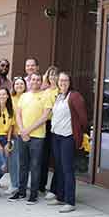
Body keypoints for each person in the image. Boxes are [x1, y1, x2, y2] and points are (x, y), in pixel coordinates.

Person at [8, 72, 52, 204]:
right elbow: (18, 115)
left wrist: (28, 130)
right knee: (23, 165)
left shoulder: (46, 96)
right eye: (33, 79)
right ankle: (21, 192)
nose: (35, 82)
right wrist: (22, 130)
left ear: (41, 82)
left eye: (38, 80)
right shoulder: (24, 96)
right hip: (23, 135)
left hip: (37, 136)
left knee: (35, 165)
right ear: (29, 81)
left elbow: (45, 117)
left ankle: (33, 194)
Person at [47, 72, 87, 213]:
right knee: (59, 167)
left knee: (67, 169)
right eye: (61, 80)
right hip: (56, 136)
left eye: (66, 80)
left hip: (67, 137)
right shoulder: (59, 96)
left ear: (70, 82)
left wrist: (79, 133)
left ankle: (70, 201)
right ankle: (60, 196)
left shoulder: (74, 96)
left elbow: (83, 119)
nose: (63, 82)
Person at [39, 66, 60, 199]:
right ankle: (41, 186)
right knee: (43, 157)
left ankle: (55, 189)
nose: (52, 77)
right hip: (44, 125)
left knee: (57, 158)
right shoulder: (44, 91)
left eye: (55, 75)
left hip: (56, 125)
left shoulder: (60, 91)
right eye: (50, 75)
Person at [6, 76, 27, 195]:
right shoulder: (11, 98)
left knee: (23, 161)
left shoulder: (28, 97)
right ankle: (14, 184)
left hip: (25, 133)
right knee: (13, 161)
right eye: (17, 84)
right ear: (13, 86)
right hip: (13, 133)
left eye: (21, 84)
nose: (19, 86)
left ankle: (22, 184)